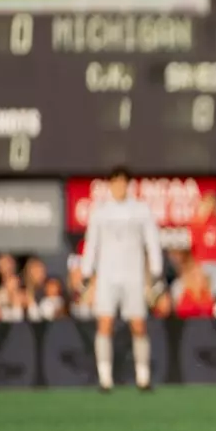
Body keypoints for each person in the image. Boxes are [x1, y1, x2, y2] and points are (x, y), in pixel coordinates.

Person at [81, 165, 163, 392]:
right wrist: (87, 273)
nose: (119, 187)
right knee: (104, 324)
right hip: (107, 276)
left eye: (122, 182)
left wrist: (155, 270)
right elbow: (92, 244)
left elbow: (152, 242)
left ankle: (143, 378)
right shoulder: (100, 212)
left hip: (133, 276)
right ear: (110, 185)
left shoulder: (141, 211)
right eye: (115, 182)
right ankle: (105, 379)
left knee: (138, 325)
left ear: (128, 185)